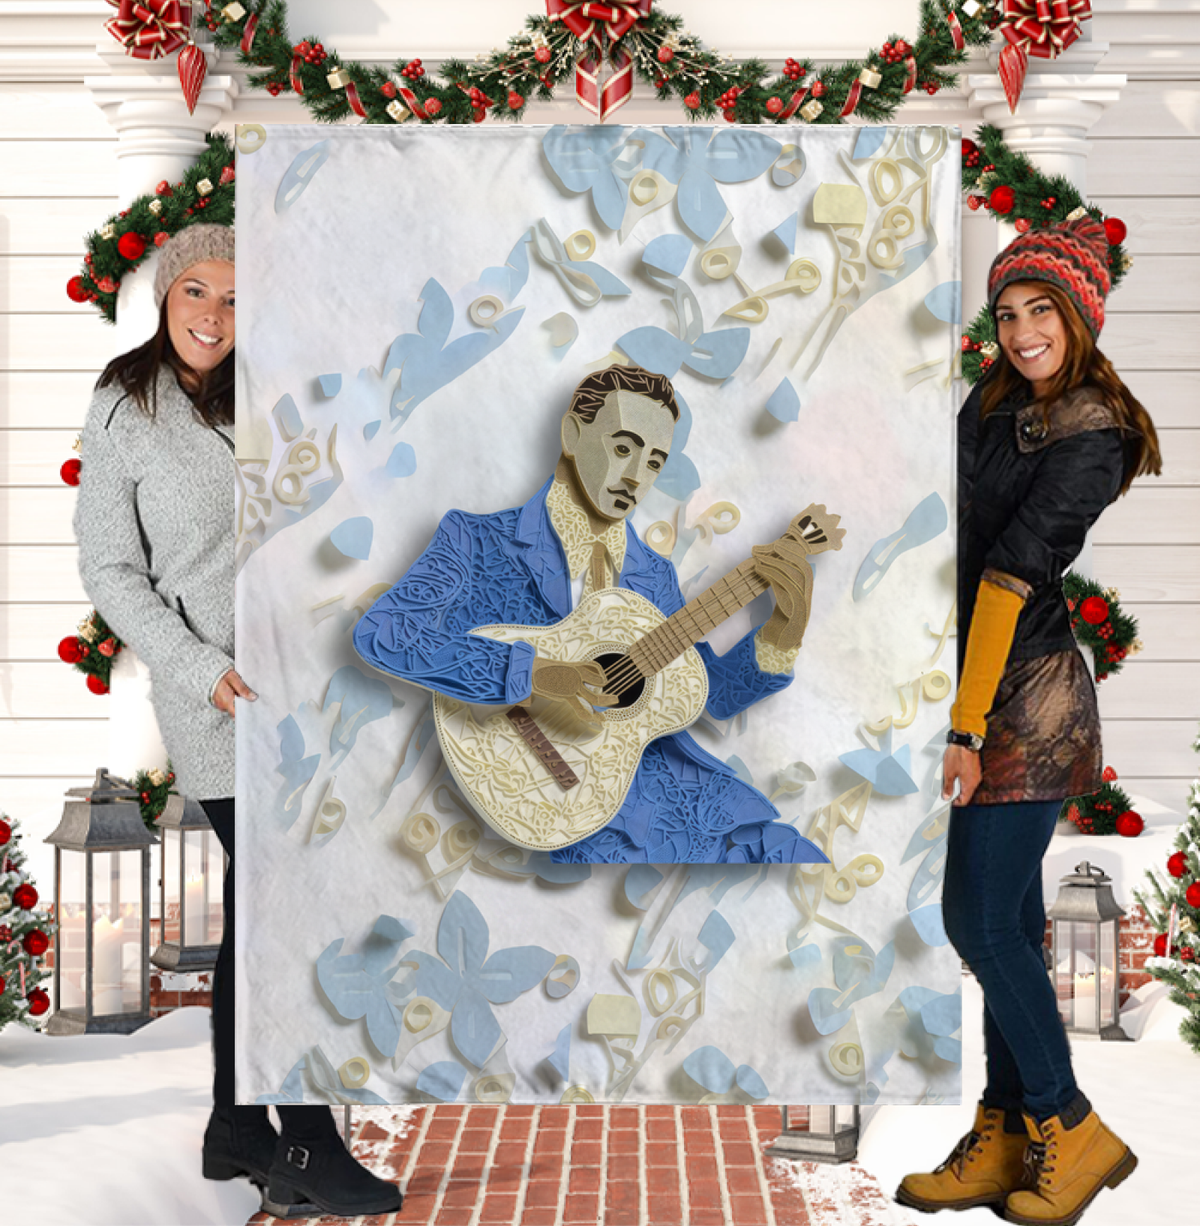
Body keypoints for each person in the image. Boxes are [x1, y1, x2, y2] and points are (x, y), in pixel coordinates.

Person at [74, 224, 401, 1219]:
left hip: (305, 685)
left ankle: (233, 1126)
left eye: (234, 297)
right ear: (167, 299)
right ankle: (301, 1140)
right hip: (217, 698)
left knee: (273, 913)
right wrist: (198, 667)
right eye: (196, 294)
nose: (215, 316)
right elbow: (111, 571)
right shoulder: (125, 405)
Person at [897, 217, 1161, 1224]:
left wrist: (965, 730)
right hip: (972, 675)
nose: (1019, 330)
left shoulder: (1095, 431)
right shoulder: (999, 403)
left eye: (1039, 310)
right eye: (1007, 313)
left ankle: (1070, 1123)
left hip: (1030, 700)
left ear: (1079, 316)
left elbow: (1011, 574)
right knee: (1002, 920)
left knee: (973, 917)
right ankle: (1006, 1133)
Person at [354, 362, 830, 864]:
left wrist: (782, 632)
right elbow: (385, 632)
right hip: (510, 771)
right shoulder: (475, 540)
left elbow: (704, 693)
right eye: (623, 447)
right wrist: (535, 673)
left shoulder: (654, 577)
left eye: (653, 462)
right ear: (572, 432)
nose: (634, 477)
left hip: (651, 808)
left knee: (785, 850)